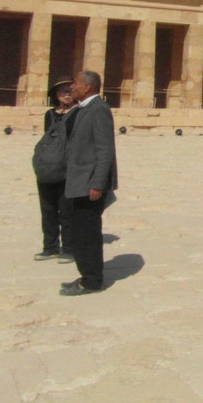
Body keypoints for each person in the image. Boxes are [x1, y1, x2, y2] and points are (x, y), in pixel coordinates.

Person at [60, 71, 119, 295]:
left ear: (88, 87)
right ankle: (86, 273)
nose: (72, 86)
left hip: (90, 182)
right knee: (79, 231)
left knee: (88, 232)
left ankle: (92, 280)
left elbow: (105, 150)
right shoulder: (84, 108)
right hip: (79, 180)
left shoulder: (99, 109)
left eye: (76, 82)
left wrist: (97, 183)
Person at [32, 77, 78, 263]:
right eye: (61, 91)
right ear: (55, 95)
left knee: (67, 210)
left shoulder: (79, 113)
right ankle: (50, 247)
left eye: (69, 90)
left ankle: (69, 248)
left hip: (68, 168)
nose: (66, 94)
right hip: (48, 166)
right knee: (48, 209)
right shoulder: (50, 114)